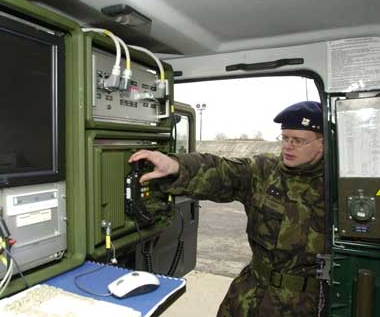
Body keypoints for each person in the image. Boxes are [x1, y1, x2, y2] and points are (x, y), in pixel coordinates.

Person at [129, 101, 325, 316]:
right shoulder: (265, 170)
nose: (288, 145)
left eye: (298, 140)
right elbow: (222, 171)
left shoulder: (338, 186)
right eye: (285, 138)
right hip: (250, 295)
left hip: (306, 303)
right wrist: (176, 166)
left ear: (322, 143)